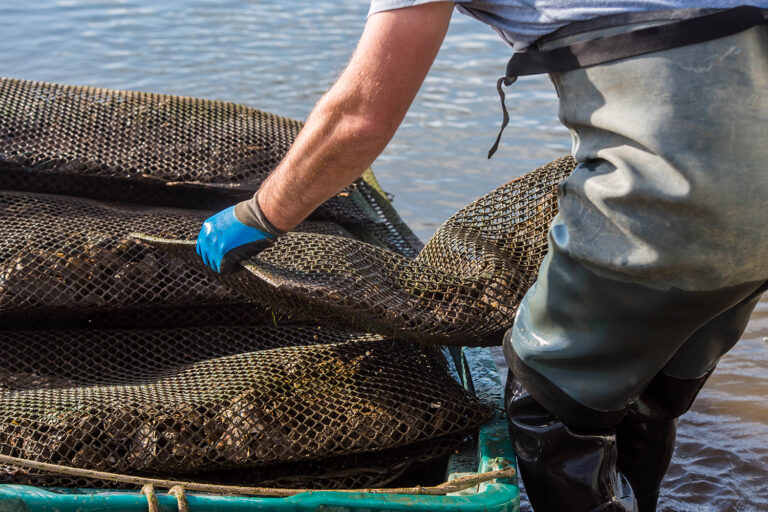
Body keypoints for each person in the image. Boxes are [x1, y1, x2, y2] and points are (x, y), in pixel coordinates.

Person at [196, 2, 768, 511]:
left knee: (548, 395)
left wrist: (260, 215)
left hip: (677, 192)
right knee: (643, 381)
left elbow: (358, 118)